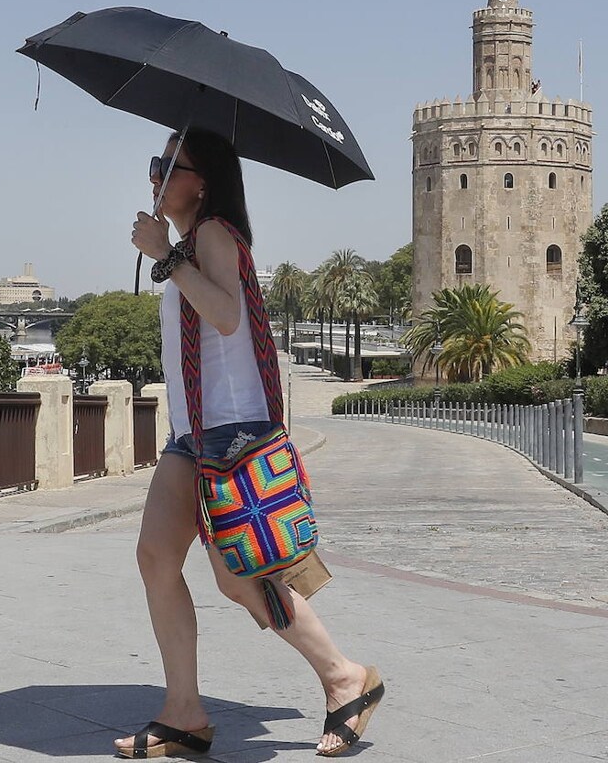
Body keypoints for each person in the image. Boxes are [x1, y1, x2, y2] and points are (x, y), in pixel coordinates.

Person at [118, 128, 382, 758]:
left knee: (243, 579)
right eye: (152, 162)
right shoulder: (190, 241)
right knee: (157, 557)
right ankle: (184, 711)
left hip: (233, 433)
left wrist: (167, 256)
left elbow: (228, 316)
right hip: (196, 435)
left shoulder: (210, 235)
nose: (154, 175)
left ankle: (345, 677)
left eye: (167, 164)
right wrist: (167, 255)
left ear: (202, 181)